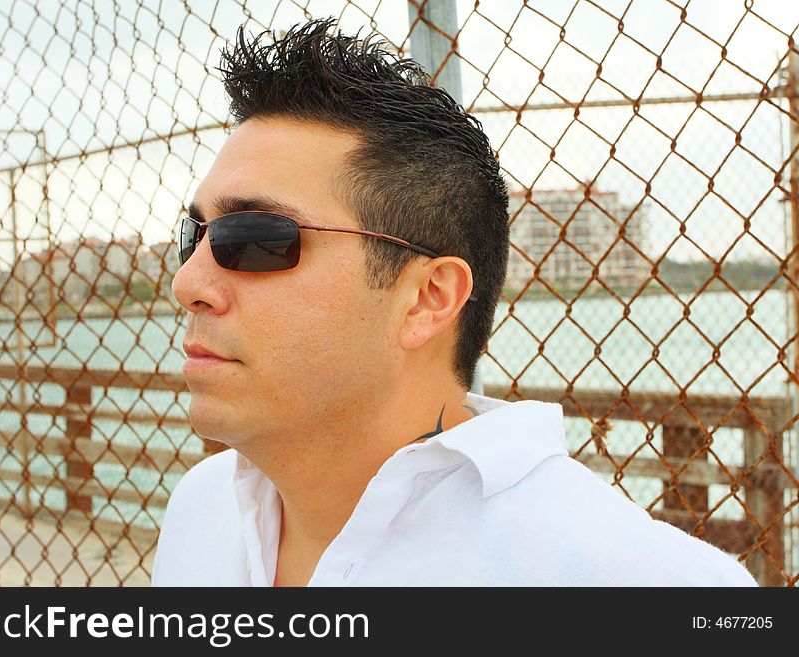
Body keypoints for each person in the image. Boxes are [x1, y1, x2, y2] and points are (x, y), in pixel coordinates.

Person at [152, 17, 757, 586]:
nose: (187, 284)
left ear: (426, 298)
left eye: (255, 239)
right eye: (193, 236)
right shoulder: (202, 510)